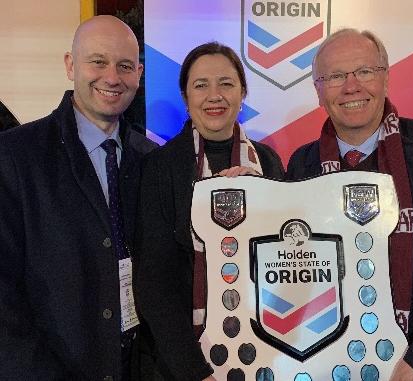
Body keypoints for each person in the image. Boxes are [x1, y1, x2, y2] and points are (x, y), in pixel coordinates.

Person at [286, 28, 413, 381]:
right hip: (329, 368)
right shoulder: (299, 166)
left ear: (385, 77)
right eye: (335, 76)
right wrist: (246, 190)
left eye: (365, 71)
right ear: (318, 91)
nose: (352, 86)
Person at [0, 15, 157, 380]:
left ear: (139, 72)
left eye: (124, 66)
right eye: (98, 61)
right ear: (71, 66)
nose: (112, 77)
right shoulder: (15, 156)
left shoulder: (151, 160)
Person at [134, 42, 285, 380]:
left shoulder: (268, 162)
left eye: (226, 83)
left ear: (242, 92)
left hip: (265, 348)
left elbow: (285, 258)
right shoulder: (160, 168)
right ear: (186, 98)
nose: (214, 95)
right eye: (201, 85)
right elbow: (155, 282)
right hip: (187, 360)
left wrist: (262, 199)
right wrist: (195, 371)